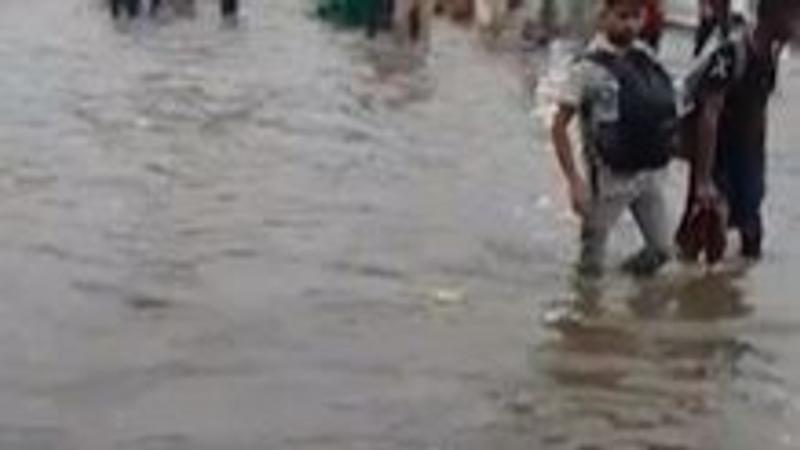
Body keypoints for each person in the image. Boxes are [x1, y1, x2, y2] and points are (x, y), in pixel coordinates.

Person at [550, 0, 677, 278]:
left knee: (662, 250)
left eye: (636, 17)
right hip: (608, 181)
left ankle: (628, 288)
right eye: (622, 17)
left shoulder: (646, 57)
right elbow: (559, 126)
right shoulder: (586, 68)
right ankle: (587, 314)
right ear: (603, 16)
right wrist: (574, 181)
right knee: (591, 267)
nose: (630, 24)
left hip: (648, 175)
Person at [684, 0, 800, 260]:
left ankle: (737, 293)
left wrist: (759, 160)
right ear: (775, 15)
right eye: (796, 16)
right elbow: (709, 114)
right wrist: (703, 179)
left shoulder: (770, 55)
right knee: (707, 234)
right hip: (718, 155)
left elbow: (758, 109)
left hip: (748, 157)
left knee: (751, 233)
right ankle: (692, 291)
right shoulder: (731, 53)